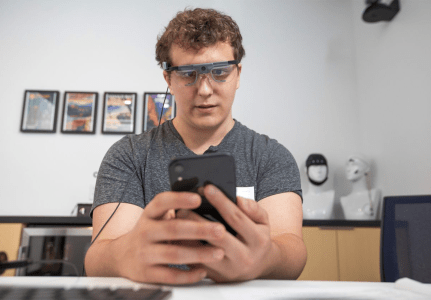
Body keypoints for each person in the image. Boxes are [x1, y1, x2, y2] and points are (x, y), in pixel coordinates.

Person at [85, 8, 306, 284]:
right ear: (168, 79)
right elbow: (97, 256)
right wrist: (122, 255)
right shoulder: (128, 155)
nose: (204, 89)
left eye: (220, 72)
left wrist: (267, 258)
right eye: (188, 73)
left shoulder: (271, 156)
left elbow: (292, 248)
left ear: (238, 74)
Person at [340, 154, 381, 220]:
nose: (348, 169)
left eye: (354, 164)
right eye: (347, 165)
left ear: (366, 169)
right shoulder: (344, 200)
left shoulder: (374, 194)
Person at [303, 154, 335, 220]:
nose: (319, 170)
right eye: (314, 166)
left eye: (322, 166)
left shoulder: (332, 196)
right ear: (306, 170)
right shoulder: (300, 200)